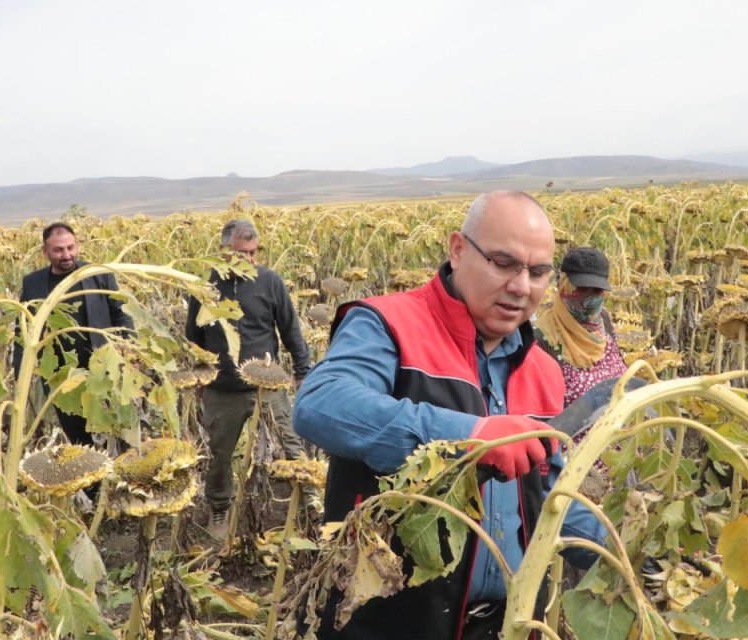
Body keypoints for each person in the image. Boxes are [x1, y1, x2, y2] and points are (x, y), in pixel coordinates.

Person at [293, 191, 607, 639]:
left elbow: (548, 494)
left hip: (507, 624)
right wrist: (474, 436)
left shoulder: (544, 371)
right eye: (503, 263)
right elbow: (321, 403)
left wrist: (631, 555)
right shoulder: (388, 323)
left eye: (538, 272)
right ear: (458, 249)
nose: (521, 287)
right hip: (391, 623)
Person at [186, 219, 312, 539]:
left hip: (267, 384)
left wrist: (301, 371)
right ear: (224, 251)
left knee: (292, 445)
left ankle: (311, 504)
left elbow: (289, 328)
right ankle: (219, 508)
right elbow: (194, 337)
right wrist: (200, 378)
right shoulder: (205, 287)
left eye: (254, 252)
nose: (251, 259)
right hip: (223, 387)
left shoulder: (269, 281)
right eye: (244, 253)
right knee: (219, 455)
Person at [13, 222, 133, 446]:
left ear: (78, 245)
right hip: (62, 378)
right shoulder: (33, 283)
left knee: (117, 433)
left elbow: (122, 314)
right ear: (45, 251)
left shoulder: (98, 274)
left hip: (104, 370)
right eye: (58, 250)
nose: (66, 255)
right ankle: (92, 482)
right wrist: (22, 372)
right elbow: (23, 330)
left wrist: (131, 350)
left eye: (70, 247)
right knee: (79, 440)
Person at [534, 246, 627, 409]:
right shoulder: (543, 340)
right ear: (564, 286)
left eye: (597, 290)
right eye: (582, 289)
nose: (589, 300)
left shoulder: (603, 319)